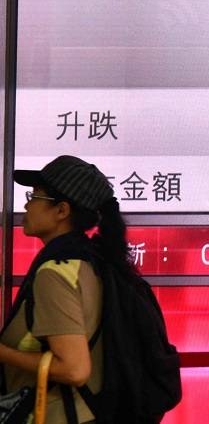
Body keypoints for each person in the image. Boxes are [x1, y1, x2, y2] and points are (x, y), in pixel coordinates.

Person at [1, 155, 134, 424]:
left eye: (35, 197)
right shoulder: (90, 260)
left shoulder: (56, 272)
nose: (27, 205)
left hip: (59, 415)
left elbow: (75, 370)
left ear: (62, 211)